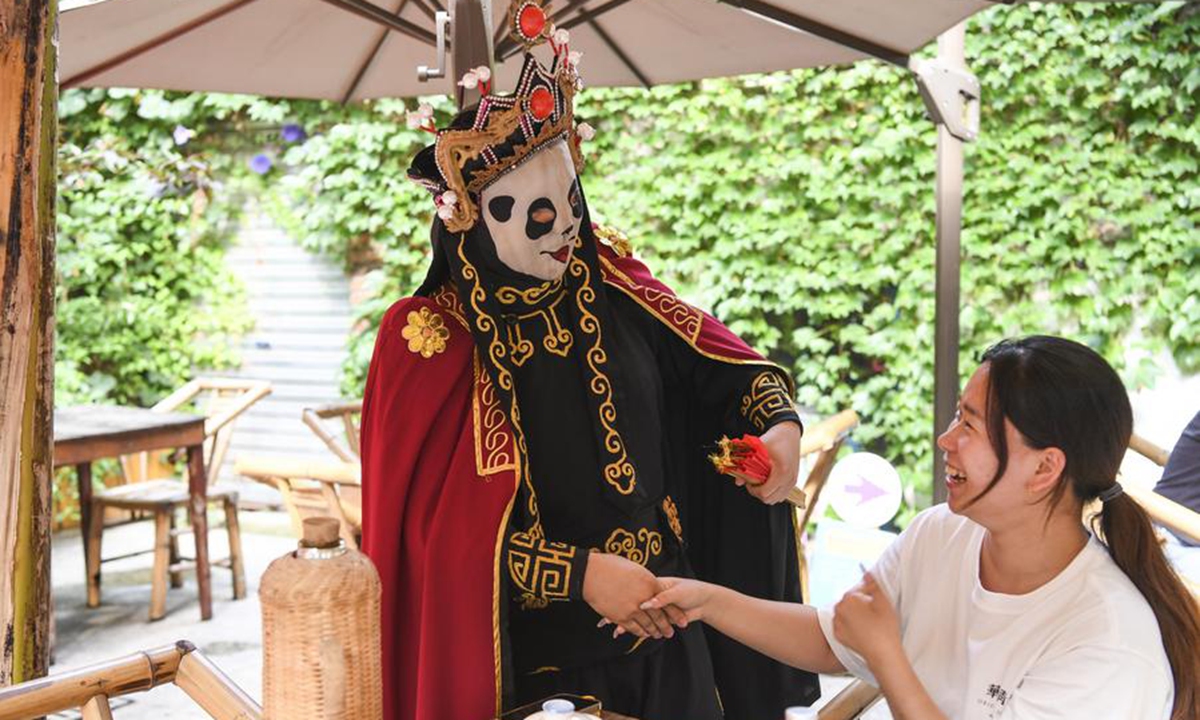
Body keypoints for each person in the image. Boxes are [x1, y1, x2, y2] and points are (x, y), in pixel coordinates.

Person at [359, 6, 819, 719]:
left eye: (570, 198)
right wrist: (577, 575)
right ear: (472, 216)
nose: (567, 226)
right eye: (535, 213)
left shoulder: (614, 286)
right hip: (533, 675)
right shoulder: (430, 340)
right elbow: (427, 547)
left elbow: (730, 374)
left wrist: (779, 432)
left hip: (674, 631)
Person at [642, 336, 1200, 720]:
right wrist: (708, 602)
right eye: (958, 415)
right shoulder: (943, 534)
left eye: (971, 426)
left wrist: (888, 654)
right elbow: (835, 638)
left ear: (1045, 468)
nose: (945, 440)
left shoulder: (1107, 641)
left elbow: (871, 646)